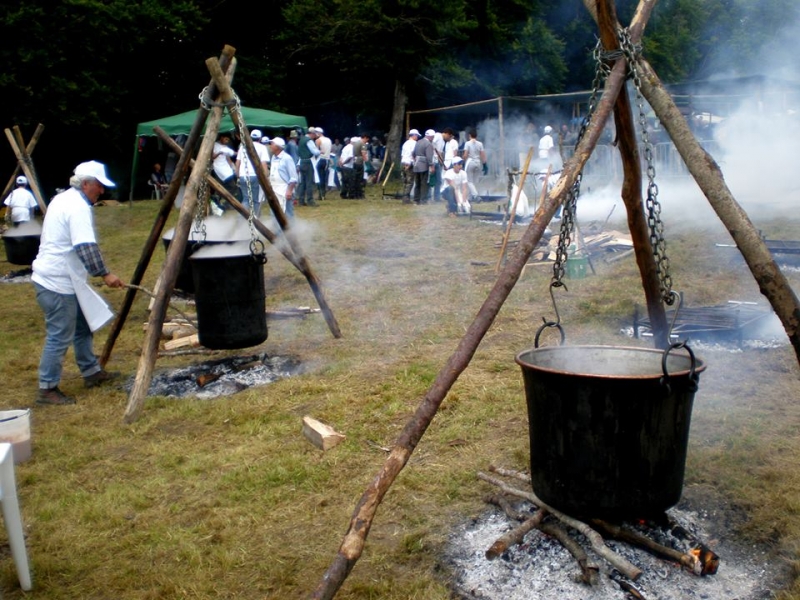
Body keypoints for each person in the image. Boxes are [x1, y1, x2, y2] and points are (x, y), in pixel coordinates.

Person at [31, 161, 125, 406]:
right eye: (99, 186)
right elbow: (85, 246)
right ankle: (47, 388)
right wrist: (105, 274)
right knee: (60, 335)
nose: (102, 191)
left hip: (65, 279)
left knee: (83, 326)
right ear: (86, 184)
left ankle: (91, 372)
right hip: (57, 281)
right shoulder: (77, 208)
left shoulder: (63, 199)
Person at [235, 128, 269, 217]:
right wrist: (266, 176)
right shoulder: (262, 147)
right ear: (260, 138)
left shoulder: (242, 146)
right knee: (255, 200)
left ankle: (241, 219)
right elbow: (264, 163)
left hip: (243, 175)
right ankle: (256, 219)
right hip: (254, 175)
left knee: (246, 199)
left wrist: (237, 175)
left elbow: (238, 162)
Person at [267, 137, 298, 221]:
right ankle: (277, 233)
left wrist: (289, 190)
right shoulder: (273, 157)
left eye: (272, 144)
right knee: (274, 213)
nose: (270, 146)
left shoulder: (287, 158)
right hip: (274, 189)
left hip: (284, 189)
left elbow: (293, 177)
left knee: (287, 214)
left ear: (277, 146)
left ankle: (291, 232)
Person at [296, 127, 320, 206]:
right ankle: (310, 200)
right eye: (314, 134)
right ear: (312, 134)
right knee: (309, 182)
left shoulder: (301, 140)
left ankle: (301, 200)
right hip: (308, 162)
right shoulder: (309, 141)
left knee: (302, 183)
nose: (315, 136)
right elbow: (315, 152)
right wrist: (320, 151)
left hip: (302, 161)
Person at [211, 132, 238, 202]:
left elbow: (228, 157)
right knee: (219, 186)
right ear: (221, 138)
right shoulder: (215, 145)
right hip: (217, 168)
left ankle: (226, 201)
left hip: (225, 168)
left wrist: (232, 166)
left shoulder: (225, 147)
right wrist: (219, 152)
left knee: (232, 185)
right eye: (226, 139)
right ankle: (217, 200)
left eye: (228, 140)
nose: (227, 141)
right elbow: (212, 157)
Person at [412, 129, 435, 204]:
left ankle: (416, 199)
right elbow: (429, 157)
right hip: (423, 165)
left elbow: (413, 153)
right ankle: (423, 200)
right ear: (430, 136)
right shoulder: (428, 144)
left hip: (416, 165)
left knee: (417, 183)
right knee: (423, 183)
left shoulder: (418, 142)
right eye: (432, 137)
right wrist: (431, 166)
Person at [400, 129, 419, 202]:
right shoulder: (414, 143)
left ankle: (404, 195)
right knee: (410, 181)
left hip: (403, 162)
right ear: (414, 135)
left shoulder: (405, 143)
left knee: (405, 181)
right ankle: (406, 197)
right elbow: (413, 154)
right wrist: (411, 163)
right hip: (409, 163)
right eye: (416, 135)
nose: (417, 137)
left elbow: (402, 154)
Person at [315, 127, 332, 201]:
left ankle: (320, 194)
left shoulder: (318, 140)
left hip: (320, 159)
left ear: (318, 133)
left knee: (319, 177)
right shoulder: (329, 140)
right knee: (324, 178)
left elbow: (316, 151)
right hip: (327, 160)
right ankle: (323, 194)